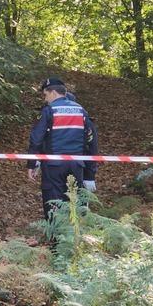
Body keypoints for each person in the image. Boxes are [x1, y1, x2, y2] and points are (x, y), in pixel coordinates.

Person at [27, 78, 98, 221]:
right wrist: (90, 174)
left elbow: (36, 139)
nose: (46, 99)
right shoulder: (80, 110)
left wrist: (33, 163)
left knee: (53, 203)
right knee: (74, 203)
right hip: (77, 165)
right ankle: (73, 239)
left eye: (46, 95)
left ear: (53, 93)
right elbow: (91, 141)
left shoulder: (50, 110)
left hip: (54, 165)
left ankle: (56, 240)